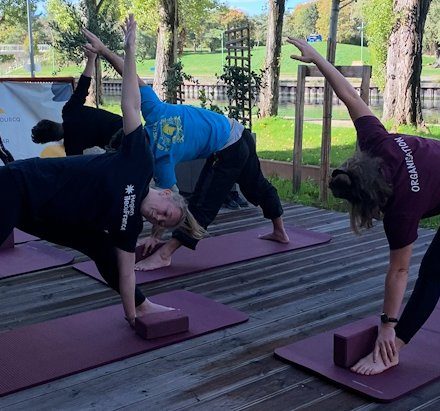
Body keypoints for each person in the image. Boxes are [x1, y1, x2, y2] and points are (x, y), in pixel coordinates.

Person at [0, 15, 202, 328]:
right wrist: (130, 49)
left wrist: (132, 317)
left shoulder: (130, 226)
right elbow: (132, 105)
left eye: (162, 223)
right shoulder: (139, 163)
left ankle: (141, 307)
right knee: (96, 241)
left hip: (43, 215)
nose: (159, 219)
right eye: (166, 212)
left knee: (100, 246)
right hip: (20, 186)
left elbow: (125, 271)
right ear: (165, 193)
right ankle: (141, 307)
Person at [288, 37, 440, 375]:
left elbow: (399, 271)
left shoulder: (402, 209)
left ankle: (392, 349)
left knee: (433, 274)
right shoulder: (376, 140)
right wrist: (317, 59)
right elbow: (349, 94)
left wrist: (387, 323)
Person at [83, 29, 290, 272]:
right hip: (238, 132)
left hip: (228, 148)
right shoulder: (153, 112)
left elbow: (167, 204)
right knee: (257, 186)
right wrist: (105, 51)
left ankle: (165, 255)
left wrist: (157, 238)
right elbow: (130, 76)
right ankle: (280, 231)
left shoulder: (161, 162)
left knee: (203, 204)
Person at [31, 47, 123, 156]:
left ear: (51, 140)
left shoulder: (71, 146)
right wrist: (91, 59)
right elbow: (82, 86)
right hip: (125, 125)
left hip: (118, 144)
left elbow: (77, 168)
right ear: (52, 121)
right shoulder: (69, 111)